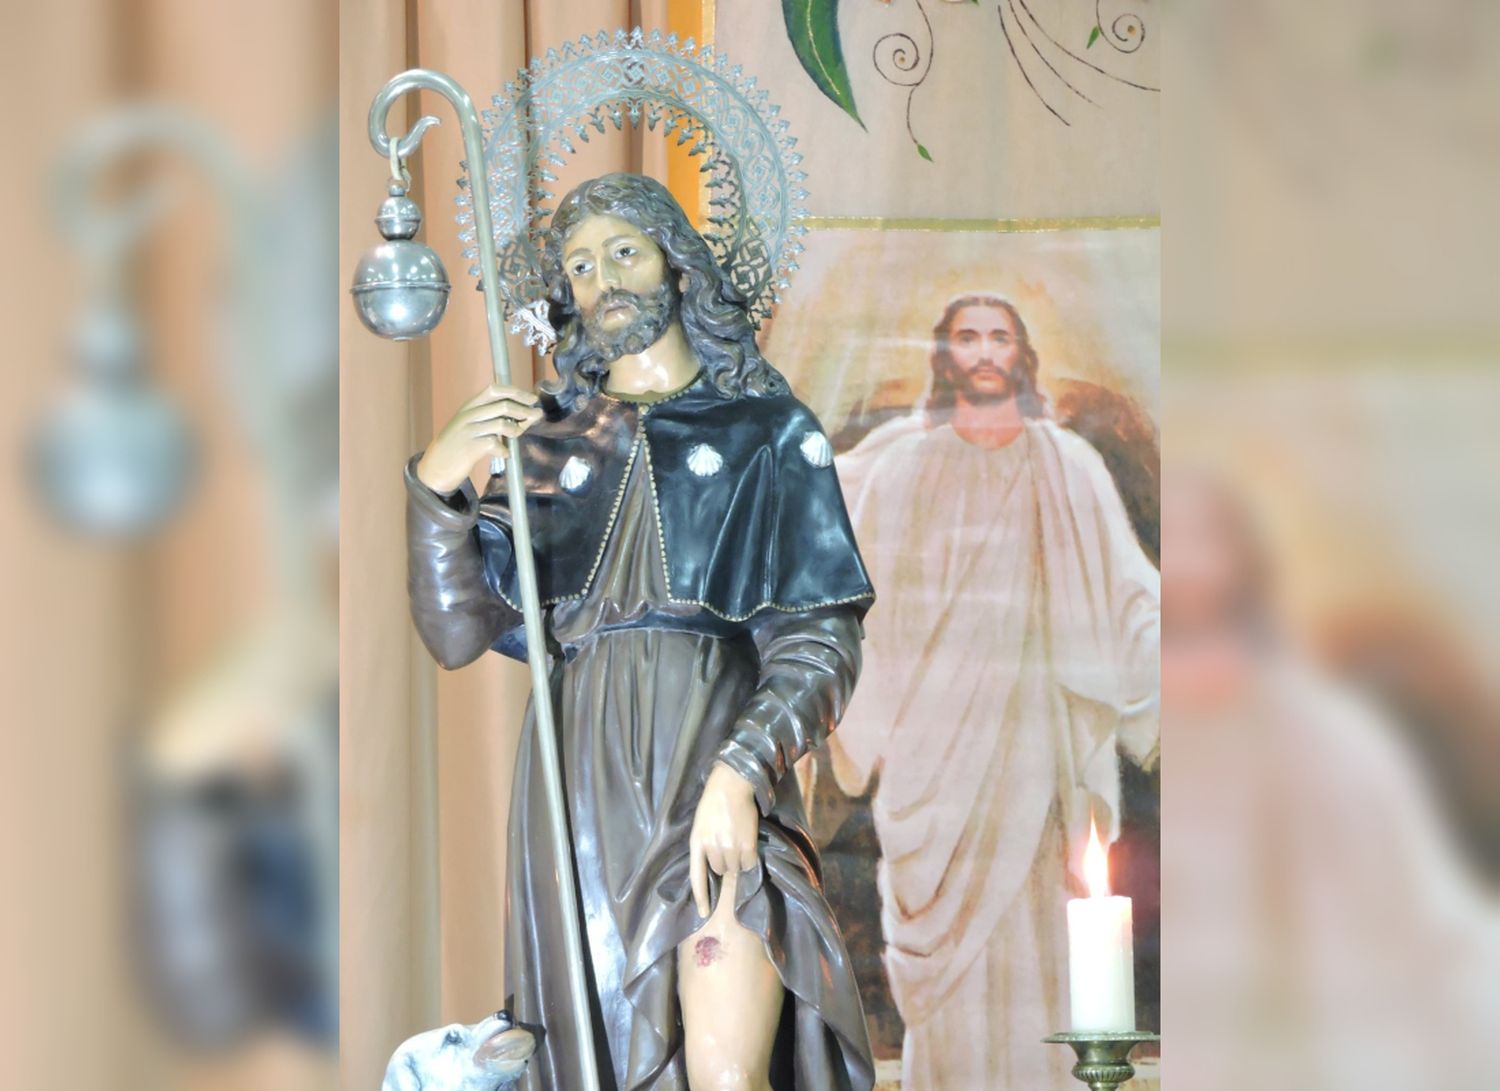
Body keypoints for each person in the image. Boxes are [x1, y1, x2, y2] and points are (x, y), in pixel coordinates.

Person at [404, 173, 876, 1091]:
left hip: (714, 768)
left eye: (624, 251)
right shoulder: (541, 446)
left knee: (729, 1067)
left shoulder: (769, 431)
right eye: (580, 266)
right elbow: (457, 630)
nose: (603, 280)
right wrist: (437, 486)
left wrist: (742, 770)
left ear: (678, 263)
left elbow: (821, 639)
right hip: (578, 792)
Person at [828, 295, 1160, 1089]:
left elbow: (1130, 595)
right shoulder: (903, 468)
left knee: (1036, 936)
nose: (983, 351)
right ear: (945, 355)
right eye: (967, 337)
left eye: (998, 337)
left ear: (1021, 354)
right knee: (952, 986)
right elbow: (853, 599)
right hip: (930, 760)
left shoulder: (1067, 465)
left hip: (1035, 748)